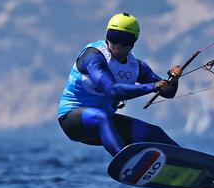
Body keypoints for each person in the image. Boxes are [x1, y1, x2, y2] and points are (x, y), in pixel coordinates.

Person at [57, 12, 182, 157]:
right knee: (100, 116)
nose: (118, 44)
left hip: (104, 126)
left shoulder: (137, 67)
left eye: (125, 40)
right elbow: (112, 91)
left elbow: (168, 92)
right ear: (107, 36)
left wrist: (174, 78)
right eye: (114, 37)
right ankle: (125, 160)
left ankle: (191, 165)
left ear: (133, 42)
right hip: (73, 121)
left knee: (153, 132)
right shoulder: (93, 57)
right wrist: (153, 86)